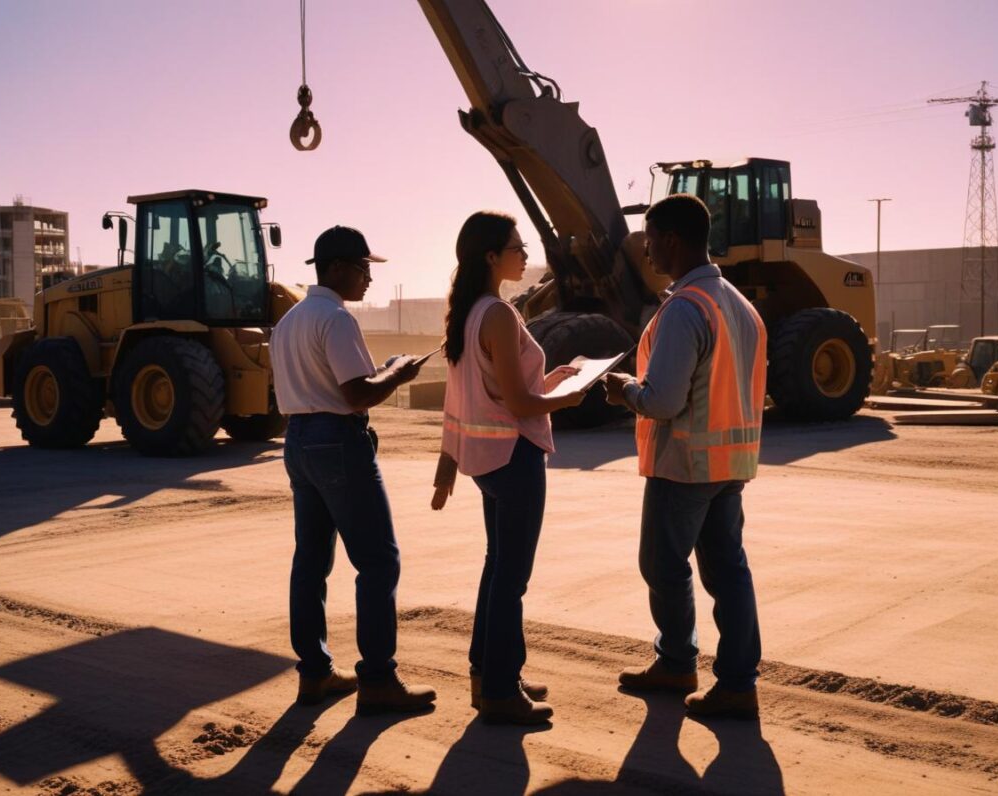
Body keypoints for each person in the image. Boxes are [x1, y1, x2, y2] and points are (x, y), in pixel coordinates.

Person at [605, 194, 767, 720]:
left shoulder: (684, 309)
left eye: (648, 239)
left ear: (671, 240)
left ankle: (676, 661)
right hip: (731, 464)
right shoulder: (739, 305)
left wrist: (626, 389)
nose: (646, 251)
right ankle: (739, 682)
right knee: (728, 572)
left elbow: (664, 401)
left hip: (687, 464)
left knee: (662, 563)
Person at [270, 225, 436, 714]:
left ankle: (315, 674)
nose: (369, 278)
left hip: (299, 440)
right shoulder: (337, 320)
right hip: (338, 441)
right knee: (379, 561)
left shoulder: (290, 320)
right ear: (338, 268)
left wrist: (380, 372)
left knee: (312, 561)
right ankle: (379, 679)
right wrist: (399, 373)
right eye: (364, 268)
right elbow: (359, 393)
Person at [431, 211, 585, 725]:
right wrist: (568, 397)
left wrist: (448, 466)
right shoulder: (497, 314)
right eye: (517, 247)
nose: (524, 254)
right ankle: (499, 688)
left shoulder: (470, 312)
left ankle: (490, 672)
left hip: (487, 463)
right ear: (491, 256)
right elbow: (519, 403)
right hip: (514, 458)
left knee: (498, 568)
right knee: (510, 577)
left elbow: (477, 393)